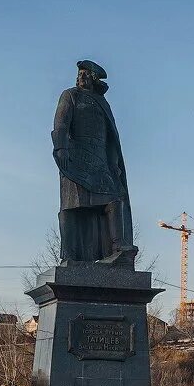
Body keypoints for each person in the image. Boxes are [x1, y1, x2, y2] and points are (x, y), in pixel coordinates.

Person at [51, 60, 138, 266]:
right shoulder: (70, 95)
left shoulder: (102, 103)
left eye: (85, 74)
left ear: (93, 78)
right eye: (79, 73)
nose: (80, 77)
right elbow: (61, 123)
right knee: (72, 206)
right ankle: (69, 255)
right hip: (76, 158)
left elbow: (110, 138)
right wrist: (61, 147)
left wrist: (114, 164)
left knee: (115, 199)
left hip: (100, 163)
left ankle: (119, 248)